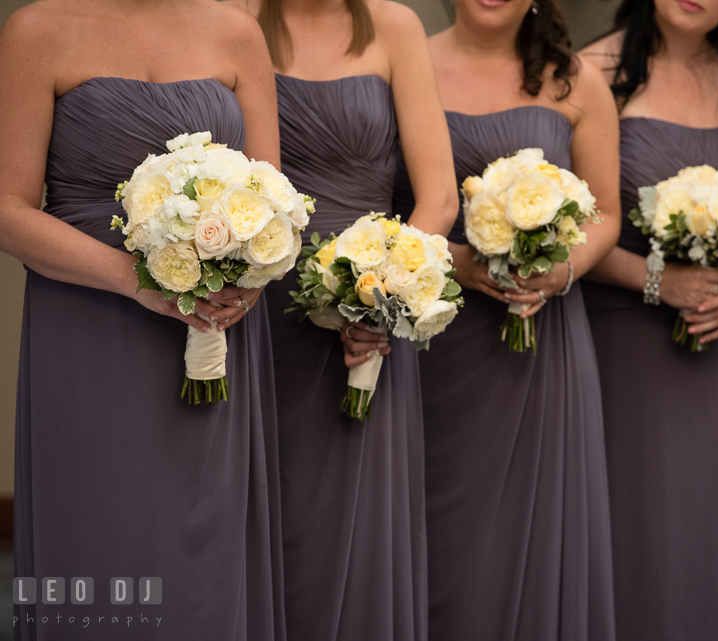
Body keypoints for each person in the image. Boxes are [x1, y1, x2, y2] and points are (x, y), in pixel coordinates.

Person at [0, 0, 285, 638]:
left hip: (214, 324)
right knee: (100, 524)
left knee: (205, 541)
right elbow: (6, 209)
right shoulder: (38, 29)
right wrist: (139, 281)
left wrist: (249, 282)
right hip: (86, 323)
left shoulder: (236, 31)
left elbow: (274, 198)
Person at [391, 0, 621, 638]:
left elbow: (604, 215)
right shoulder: (410, 61)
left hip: (539, 339)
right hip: (432, 334)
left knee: (529, 521)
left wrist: (560, 270)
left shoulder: (575, 79)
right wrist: (453, 260)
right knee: (435, 522)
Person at [231, 0, 458, 637]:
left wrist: (380, 297)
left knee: (353, 516)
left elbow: (438, 196)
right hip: (253, 307)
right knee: (257, 505)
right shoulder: (231, 19)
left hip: (368, 319)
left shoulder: (395, 27)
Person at [580, 1, 718, 639]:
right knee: (632, 524)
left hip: (715, 339)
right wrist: (656, 280)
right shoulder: (595, 71)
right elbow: (576, 227)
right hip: (622, 341)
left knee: (706, 524)